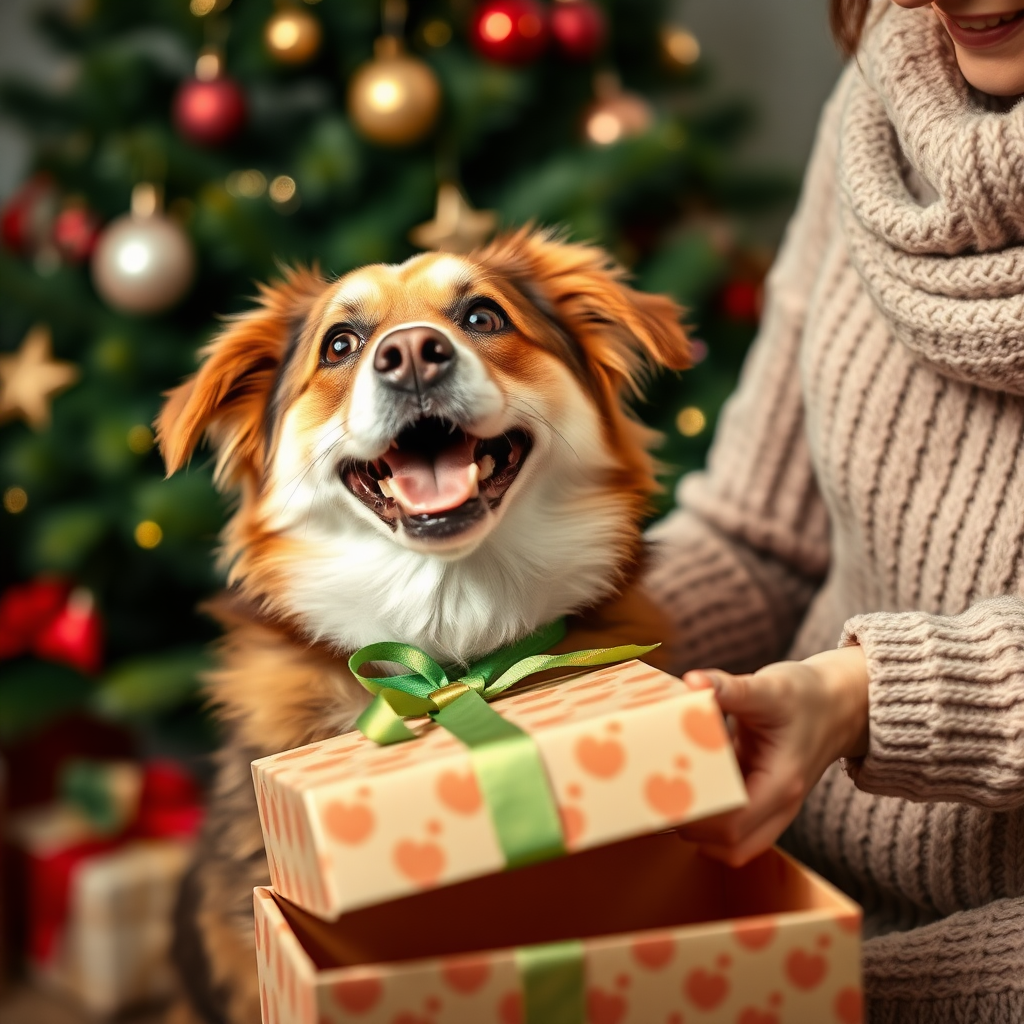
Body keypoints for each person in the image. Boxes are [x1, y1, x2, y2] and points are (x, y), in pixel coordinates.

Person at [644, 1, 1024, 1020]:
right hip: (788, 891)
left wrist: (864, 692)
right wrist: (547, 646)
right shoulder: (880, 101)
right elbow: (751, 539)